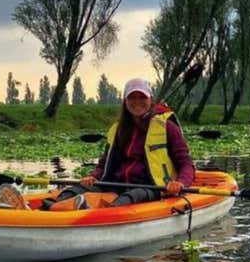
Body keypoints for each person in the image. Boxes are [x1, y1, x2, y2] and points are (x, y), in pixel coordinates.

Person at [39, 77, 195, 210]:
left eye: (142, 97)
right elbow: (104, 163)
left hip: (151, 186)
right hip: (116, 183)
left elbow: (186, 163)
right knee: (77, 189)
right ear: (125, 101)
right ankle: (47, 208)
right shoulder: (118, 129)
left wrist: (180, 182)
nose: (137, 102)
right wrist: (93, 176)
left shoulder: (167, 127)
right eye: (132, 98)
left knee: (132, 197)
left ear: (150, 99)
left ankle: (93, 213)